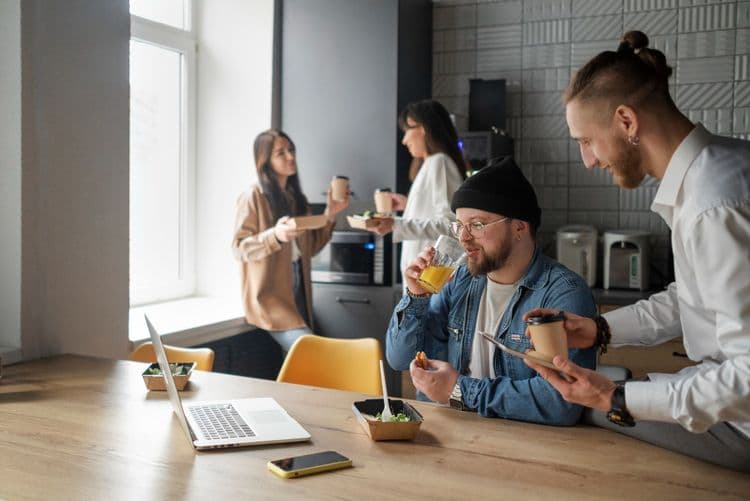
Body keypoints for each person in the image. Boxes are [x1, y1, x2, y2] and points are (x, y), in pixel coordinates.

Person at [524, 31, 750, 472]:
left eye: (586, 140)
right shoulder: (720, 172)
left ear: (626, 121)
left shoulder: (712, 205)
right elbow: (691, 299)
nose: (588, 160)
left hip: (742, 423)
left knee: (579, 410)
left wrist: (615, 397)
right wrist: (597, 330)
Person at [385, 158, 598, 425]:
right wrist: (416, 297)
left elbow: (560, 403)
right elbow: (400, 359)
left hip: (527, 447)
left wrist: (459, 390)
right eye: (459, 225)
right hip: (449, 437)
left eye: (476, 225)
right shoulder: (459, 281)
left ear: (520, 227)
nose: (463, 237)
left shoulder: (563, 294)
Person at [232, 129, 349, 353]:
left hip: (298, 287)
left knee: (299, 366)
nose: (290, 156)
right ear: (264, 160)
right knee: (310, 353)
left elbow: (311, 248)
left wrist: (331, 214)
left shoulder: (296, 199)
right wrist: (274, 235)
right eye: (281, 153)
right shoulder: (252, 197)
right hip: (269, 295)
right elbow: (238, 248)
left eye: (291, 150)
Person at [368, 100, 466, 281]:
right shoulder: (430, 164)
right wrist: (408, 206)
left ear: (424, 129)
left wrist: (396, 224)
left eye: (407, 130)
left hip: (431, 283)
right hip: (422, 283)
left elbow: (452, 225)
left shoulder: (440, 162)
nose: (404, 140)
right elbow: (437, 215)